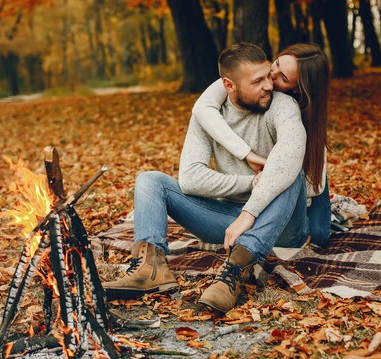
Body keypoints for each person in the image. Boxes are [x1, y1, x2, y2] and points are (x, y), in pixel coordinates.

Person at [103, 42, 311, 313]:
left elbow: (287, 163)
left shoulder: (283, 106)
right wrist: (248, 183)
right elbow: (190, 178)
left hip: (282, 224)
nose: (269, 85)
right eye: (258, 81)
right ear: (229, 85)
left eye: (268, 77)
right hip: (229, 222)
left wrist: (251, 209)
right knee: (150, 180)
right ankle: (150, 268)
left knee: (289, 170)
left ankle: (236, 269)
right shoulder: (209, 116)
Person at [192, 43, 331, 247]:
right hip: (262, 190)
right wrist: (246, 154)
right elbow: (202, 108)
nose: (271, 75)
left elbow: (310, 185)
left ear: (298, 89)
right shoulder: (249, 80)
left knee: (319, 234)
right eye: (276, 64)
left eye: (283, 78)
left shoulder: (301, 114)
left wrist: (268, 179)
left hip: (307, 187)